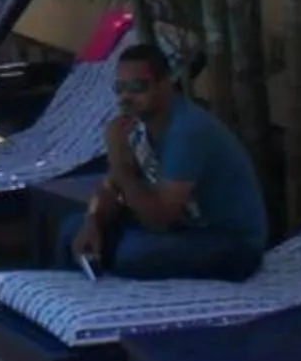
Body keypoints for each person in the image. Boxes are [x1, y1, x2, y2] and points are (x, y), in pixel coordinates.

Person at [63, 42, 268, 281]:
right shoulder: (136, 125)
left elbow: (159, 220)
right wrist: (93, 221)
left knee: (133, 254)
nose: (126, 97)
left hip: (229, 241)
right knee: (73, 229)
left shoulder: (187, 131)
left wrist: (119, 161)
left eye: (138, 87)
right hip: (181, 229)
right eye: (120, 88)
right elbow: (111, 187)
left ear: (165, 84)